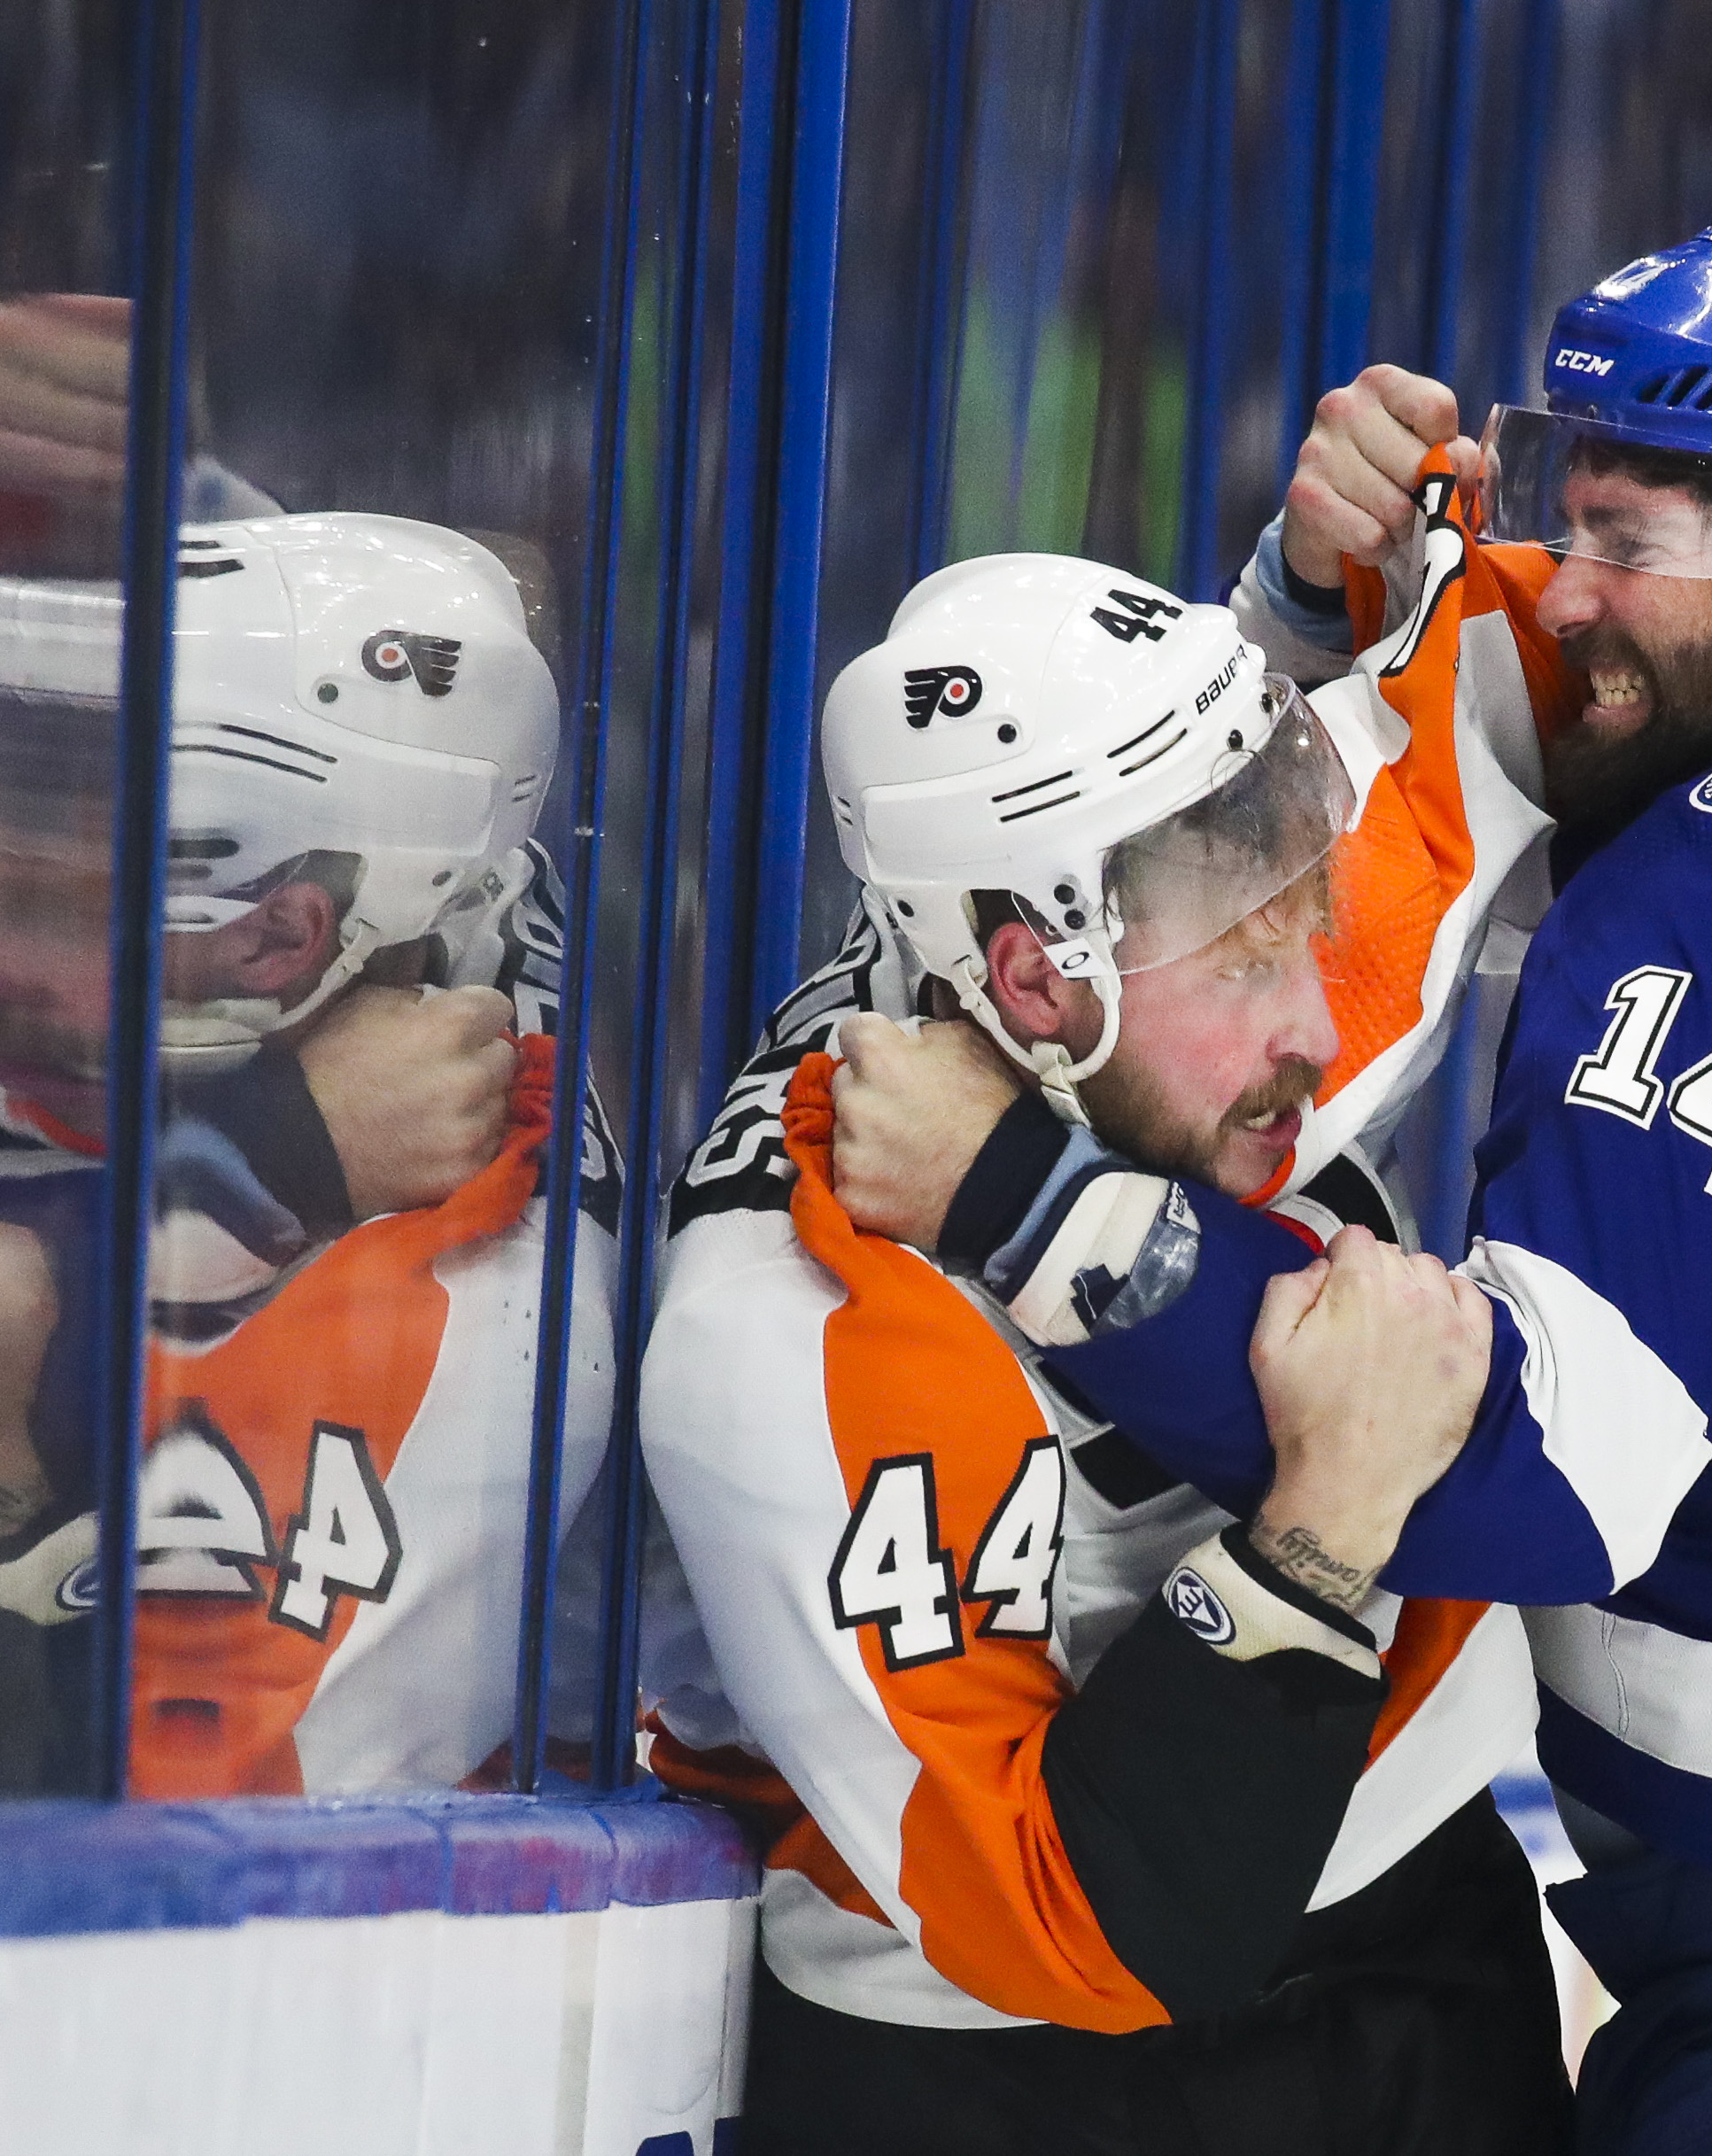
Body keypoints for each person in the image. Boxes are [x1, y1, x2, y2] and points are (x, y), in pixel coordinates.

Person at [825, 205, 1712, 2153]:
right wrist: (1310, 613)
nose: (1561, 589)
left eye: (1631, 537)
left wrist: (1028, 1203)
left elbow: (1533, 1469)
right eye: (1563, 509)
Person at [638, 555, 1571, 2156]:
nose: (1323, 1032)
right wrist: (1320, 1530)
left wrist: (1302, 583)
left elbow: (1484, 753)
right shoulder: (788, 1330)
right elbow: (1088, 1928)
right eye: (1248, 963)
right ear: (1029, 977)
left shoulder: (1147, 1017)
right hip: (1011, 2078)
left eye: (1306, 927)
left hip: (1419, 1956)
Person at [0, 509, 614, 1795]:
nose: (27, 872)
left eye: (87, 840)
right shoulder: (284, 1045)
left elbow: (147, 1824)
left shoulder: (484, 1313)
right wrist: (263, 1154)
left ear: (282, 932)